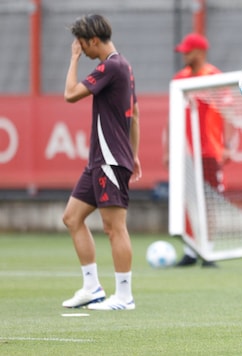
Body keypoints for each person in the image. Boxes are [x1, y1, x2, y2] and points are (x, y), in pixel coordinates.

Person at [61, 14, 141, 311]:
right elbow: (136, 113)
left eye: (82, 44)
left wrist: (73, 60)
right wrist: (133, 154)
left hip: (108, 160)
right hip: (101, 159)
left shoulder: (112, 66)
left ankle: (124, 296)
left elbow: (70, 94)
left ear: (93, 40)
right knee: (72, 217)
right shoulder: (124, 67)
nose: (80, 48)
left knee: (113, 227)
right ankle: (92, 287)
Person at [166, 33, 234, 268]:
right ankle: (190, 250)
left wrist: (227, 146)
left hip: (209, 151)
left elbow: (227, 112)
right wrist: (168, 150)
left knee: (208, 202)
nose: (184, 55)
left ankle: (208, 251)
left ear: (200, 52)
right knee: (186, 201)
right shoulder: (180, 78)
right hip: (185, 153)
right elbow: (172, 118)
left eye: (188, 51)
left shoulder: (213, 77)